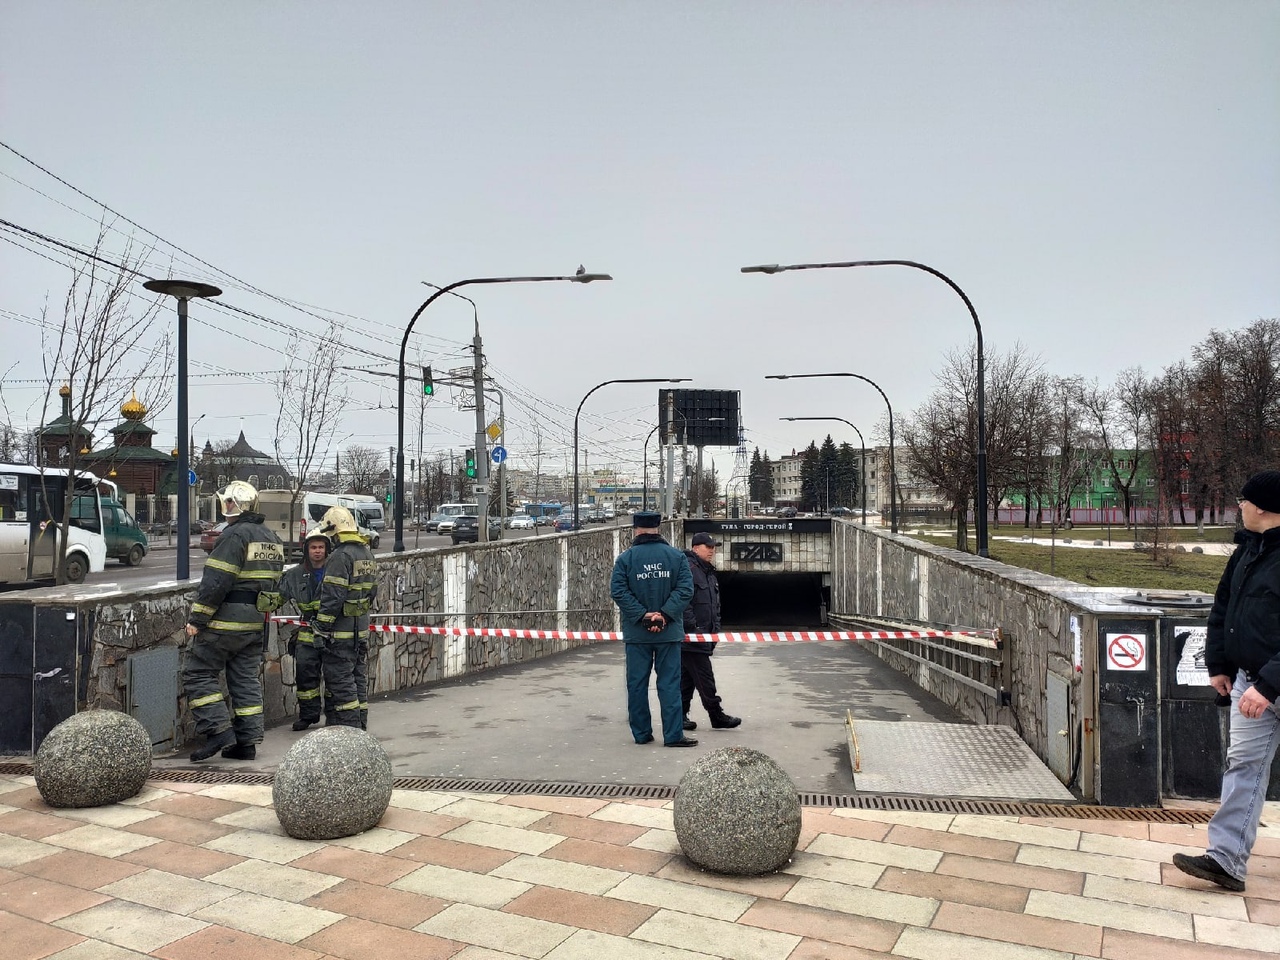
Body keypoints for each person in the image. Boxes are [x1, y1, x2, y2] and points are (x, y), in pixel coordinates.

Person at [1173, 470, 1280, 893]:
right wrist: (1219, 665)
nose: (1240, 506)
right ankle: (1226, 860)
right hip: (1250, 684)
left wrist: (1268, 686)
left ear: (1264, 507)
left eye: (1244, 500)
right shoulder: (1247, 551)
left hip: (1265, 686)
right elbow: (1224, 609)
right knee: (1243, 767)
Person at [183, 480, 285, 762]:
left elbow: (217, 581)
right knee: (244, 680)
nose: (226, 507)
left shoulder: (234, 535)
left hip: (224, 622)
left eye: (228, 502)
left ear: (233, 506)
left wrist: (197, 619)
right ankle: (246, 742)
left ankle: (218, 730)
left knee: (198, 672)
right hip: (255, 624)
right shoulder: (272, 538)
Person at [610, 511, 696, 747]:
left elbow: (618, 591)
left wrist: (643, 616)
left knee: (637, 684)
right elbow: (685, 589)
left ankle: (641, 733)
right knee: (669, 684)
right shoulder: (676, 557)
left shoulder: (626, 559)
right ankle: (673, 735)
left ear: (636, 529)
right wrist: (664, 615)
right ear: (658, 527)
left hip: (637, 634)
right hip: (669, 633)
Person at [312, 505, 378, 729]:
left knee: (341, 682)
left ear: (334, 530)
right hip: (360, 631)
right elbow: (372, 592)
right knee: (358, 679)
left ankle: (350, 729)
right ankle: (361, 724)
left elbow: (333, 597)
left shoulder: (340, 557)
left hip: (340, 634)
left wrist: (321, 628)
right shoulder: (366, 554)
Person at [681, 532, 741, 731]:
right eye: (708, 547)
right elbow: (684, 603)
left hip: (704, 636)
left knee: (687, 678)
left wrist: (715, 629)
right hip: (693, 637)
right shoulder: (688, 570)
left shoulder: (707, 572)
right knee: (705, 678)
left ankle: (679, 716)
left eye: (713, 547)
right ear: (695, 548)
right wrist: (693, 628)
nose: (712, 551)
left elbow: (714, 605)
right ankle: (716, 715)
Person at [280, 529, 330, 731]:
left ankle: (335, 715)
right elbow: (279, 596)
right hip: (307, 634)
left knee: (335, 677)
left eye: (321, 547)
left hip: (332, 633)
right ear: (306, 550)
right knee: (305, 675)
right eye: (313, 547)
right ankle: (308, 715)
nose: (317, 551)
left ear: (327, 549)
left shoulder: (336, 571)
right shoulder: (294, 575)